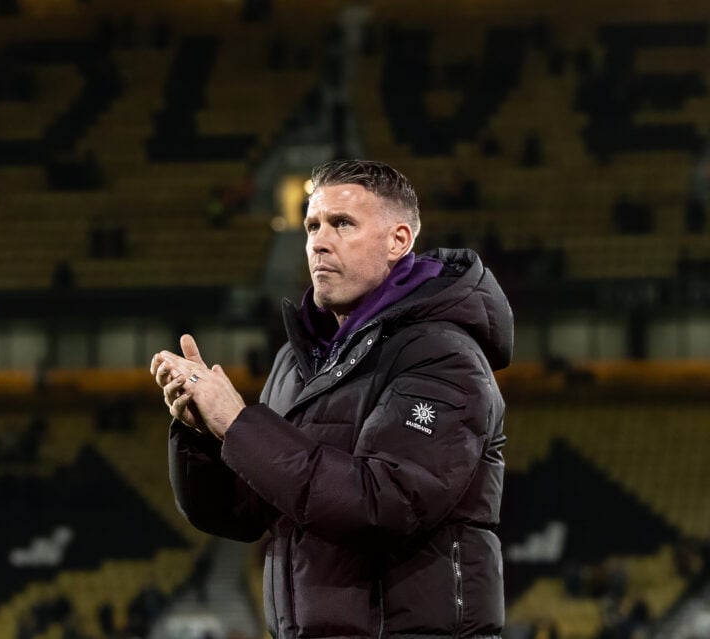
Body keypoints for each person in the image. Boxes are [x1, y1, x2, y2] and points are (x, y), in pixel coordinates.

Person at [150, 159, 512, 638]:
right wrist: (203, 435)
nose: (319, 241)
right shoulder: (297, 363)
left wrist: (238, 424)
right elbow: (241, 514)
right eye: (312, 226)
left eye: (342, 224)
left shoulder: (443, 356)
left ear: (398, 241)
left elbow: (384, 504)